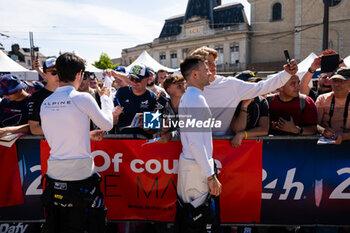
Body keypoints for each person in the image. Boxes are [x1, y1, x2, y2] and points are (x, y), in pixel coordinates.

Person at [40, 52, 114, 233]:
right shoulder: (82, 98)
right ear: (80, 74)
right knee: (87, 225)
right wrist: (106, 97)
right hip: (80, 175)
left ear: (57, 72)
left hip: (54, 173)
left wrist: (86, 135)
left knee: (60, 226)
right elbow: (108, 124)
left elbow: (56, 136)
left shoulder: (46, 102)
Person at [190, 46, 298, 136]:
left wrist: (286, 74)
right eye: (209, 63)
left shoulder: (230, 85)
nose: (214, 66)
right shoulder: (187, 85)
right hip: (192, 145)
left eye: (214, 62)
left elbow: (262, 86)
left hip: (222, 146)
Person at [175, 55, 221, 233]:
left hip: (193, 165)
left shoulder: (192, 97)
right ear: (194, 74)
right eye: (205, 69)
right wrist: (210, 176)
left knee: (194, 219)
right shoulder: (195, 99)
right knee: (197, 219)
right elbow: (195, 142)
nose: (209, 72)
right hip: (196, 167)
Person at [111, 64, 158, 138]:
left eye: (138, 79)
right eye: (131, 79)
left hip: (142, 142)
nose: (134, 82)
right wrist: (114, 116)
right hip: (122, 141)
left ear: (148, 80)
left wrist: (147, 128)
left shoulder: (152, 97)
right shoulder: (122, 92)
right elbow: (113, 122)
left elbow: (153, 130)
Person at [316, 67, 350, 144]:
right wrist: (322, 130)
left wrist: (344, 136)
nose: (336, 84)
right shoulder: (322, 99)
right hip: (326, 147)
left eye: (341, 81)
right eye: (334, 80)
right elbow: (313, 124)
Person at [28, 58, 59, 135]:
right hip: (48, 145)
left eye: (61, 72)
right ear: (44, 75)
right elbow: (34, 129)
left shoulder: (70, 94)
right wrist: (62, 132)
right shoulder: (37, 97)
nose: (58, 75)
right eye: (54, 72)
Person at [157, 74, 186, 143]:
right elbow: (154, 133)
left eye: (184, 85)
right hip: (166, 150)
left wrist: (170, 135)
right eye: (179, 86)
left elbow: (189, 131)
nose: (184, 88)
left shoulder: (190, 106)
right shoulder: (162, 107)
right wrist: (163, 131)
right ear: (169, 90)